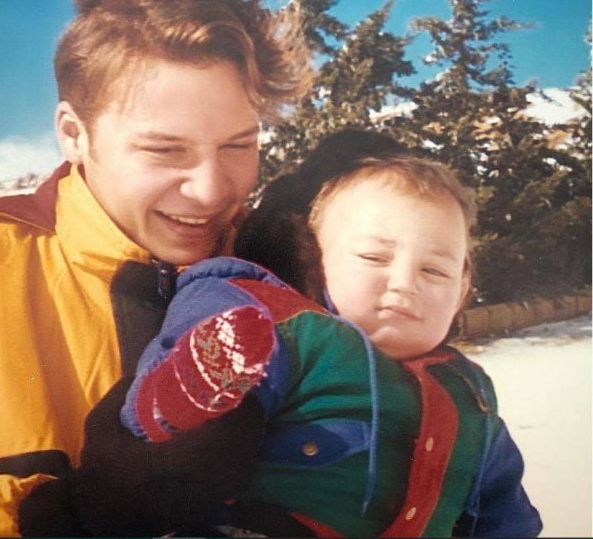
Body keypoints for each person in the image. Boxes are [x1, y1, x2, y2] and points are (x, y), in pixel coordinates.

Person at [0, 0, 310, 536]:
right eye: (165, 150)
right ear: (74, 134)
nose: (210, 190)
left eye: (238, 146)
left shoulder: (280, 264)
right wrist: (78, 515)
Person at [120, 131, 542, 537]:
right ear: (316, 261)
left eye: (434, 270)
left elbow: (504, 515)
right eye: (374, 257)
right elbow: (217, 303)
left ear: (462, 291)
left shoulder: (471, 395)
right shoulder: (289, 331)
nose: (404, 283)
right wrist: (194, 380)